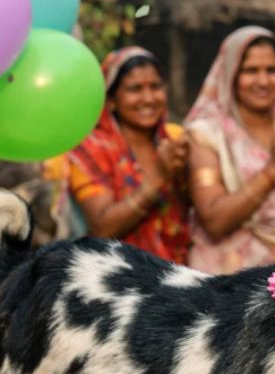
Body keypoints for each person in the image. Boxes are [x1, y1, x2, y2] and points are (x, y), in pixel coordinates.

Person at [184, 27, 275, 273]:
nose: (263, 81)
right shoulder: (206, 134)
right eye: (250, 71)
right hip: (225, 276)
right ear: (230, 74)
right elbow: (215, 222)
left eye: (272, 70)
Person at [67, 46, 191, 263]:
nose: (148, 98)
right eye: (135, 89)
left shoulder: (174, 139)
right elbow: (103, 228)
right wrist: (157, 178)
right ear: (112, 100)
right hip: (118, 272)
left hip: (178, 270)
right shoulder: (90, 150)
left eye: (155, 87)